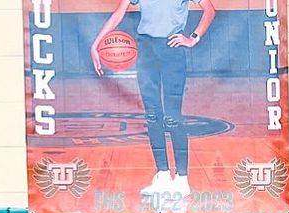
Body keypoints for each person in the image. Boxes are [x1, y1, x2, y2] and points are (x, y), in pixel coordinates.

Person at [91, 0, 216, 199]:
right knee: (152, 115)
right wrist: (96, 44)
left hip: (171, 49)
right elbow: (119, 12)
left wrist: (193, 37)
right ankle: (163, 175)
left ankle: (182, 179)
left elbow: (209, 10)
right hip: (146, 49)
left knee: (172, 117)